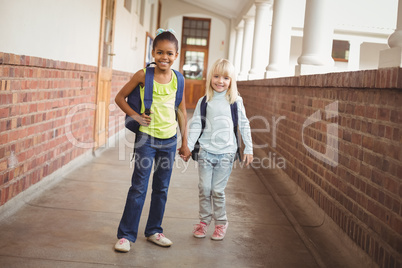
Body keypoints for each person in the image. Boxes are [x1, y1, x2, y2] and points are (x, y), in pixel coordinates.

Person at [114, 28, 190, 252]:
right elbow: (120, 97)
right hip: (146, 140)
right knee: (139, 187)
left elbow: (182, 112)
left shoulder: (179, 79)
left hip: (169, 141)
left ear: (176, 55)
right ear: (153, 53)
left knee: (161, 188)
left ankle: (154, 230)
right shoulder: (143, 75)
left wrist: (185, 143)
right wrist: (136, 116)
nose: (164, 57)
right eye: (159, 52)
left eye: (169, 53)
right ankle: (126, 235)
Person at [181, 59, 253, 241]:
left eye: (226, 78)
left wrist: (249, 148)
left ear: (232, 81)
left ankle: (221, 223)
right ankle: (204, 222)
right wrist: (188, 147)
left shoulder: (235, 101)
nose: (220, 81)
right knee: (204, 188)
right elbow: (196, 124)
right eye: (216, 76)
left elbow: (244, 125)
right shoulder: (205, 101)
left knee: (217, 190)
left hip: (226, 153)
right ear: (210, 77)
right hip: (206, 150)